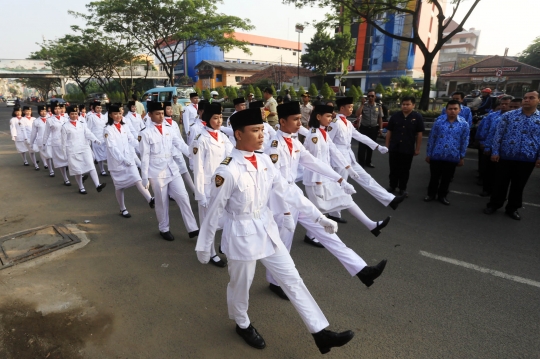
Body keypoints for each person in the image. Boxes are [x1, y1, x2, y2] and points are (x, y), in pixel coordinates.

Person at [195, 107, 355, 354]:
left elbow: (288, 191)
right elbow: (214, 212)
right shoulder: (227, 171)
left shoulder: (263, 160)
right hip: (241, 235)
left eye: (261, 129)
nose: (261, 135)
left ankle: (320, 332)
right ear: (238, 134)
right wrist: (205, 246)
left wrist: (319, 216)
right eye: (255, 130)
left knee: (292, 279)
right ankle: (242, 322)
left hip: (267, 229)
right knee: (241, 286)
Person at [266, 101, 388, 294]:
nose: (300, 123)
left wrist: (339, 178)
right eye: (296, 119)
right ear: (282, 121)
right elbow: (274, 182)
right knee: (283, 244)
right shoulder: (273, 145)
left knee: (327, 232)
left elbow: (313, 162)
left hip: (296, 197)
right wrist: (289, 207)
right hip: (281, 202)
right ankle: (274, 281)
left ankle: (362, 270)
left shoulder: (295, 141)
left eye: (300, 119)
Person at [303, 105, 391, 237]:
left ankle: (371, 225)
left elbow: (335, 152)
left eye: (331, 115)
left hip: (326, 177)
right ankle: (310, 235)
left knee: (345, 199)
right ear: (318, 117)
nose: (330, 118)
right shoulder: (314, 136)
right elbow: (316, 163)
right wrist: (328, 181)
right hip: (316, 180)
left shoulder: (323, 132)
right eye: (327, 116)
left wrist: (349, 168)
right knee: (318, 209)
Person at [326, 97, 404, 224]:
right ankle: (334, 213)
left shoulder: (348, 123)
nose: (352, 109)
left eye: (352, 107)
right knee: (341, 185)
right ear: (342, 108)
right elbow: (328, 142)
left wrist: (377, 146)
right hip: (339, 159)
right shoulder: (334, 122)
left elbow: (360, 136)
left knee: (366, 178)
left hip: (349, 156)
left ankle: (390, 199)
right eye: (349, 107)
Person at [139, 101, 199, 241]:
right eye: (157, 114)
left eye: (162, 113)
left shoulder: (169, 128)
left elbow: (180, 144)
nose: (161, 116)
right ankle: (164, 228)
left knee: (183, 197)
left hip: (171, 168)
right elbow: (145, 156)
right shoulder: (145, 133)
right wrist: (144, 177)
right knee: (161, 202)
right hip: (156, 171)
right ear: (150, 115)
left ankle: (193, 228)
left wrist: (192, 154)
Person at [483, 91, 540, 220]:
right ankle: (494, 204)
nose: (527, 100)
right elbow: (499, 135)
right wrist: (495, 152)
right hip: (506, 156)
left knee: (518, 185)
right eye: (525, 98)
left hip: (527, 158)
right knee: (500, 183)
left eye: (531, 98)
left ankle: (512, 208)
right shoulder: (509, 116)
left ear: (538, 100)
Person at [191, 103, 233, 267]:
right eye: (215, 118)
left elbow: (232, 156)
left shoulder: (222, 136)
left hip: (222, 185)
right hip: (207, 186)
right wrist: (200, 194)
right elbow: (198, 169)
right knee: (209, 223)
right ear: (207, 119)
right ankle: (211, 253)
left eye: (221, 117)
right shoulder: (200, 139)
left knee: (223, 220)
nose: (219, 121)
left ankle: (221, 247)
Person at [104, 105, 153, 216]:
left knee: (137, 179)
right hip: (116, 162)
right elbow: (112, 148)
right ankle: (122, 208)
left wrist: (142, 146)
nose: (118, 116)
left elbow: (131, 139)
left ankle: (150, 199)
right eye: (115, 114)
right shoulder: (107, 130)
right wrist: (122, 159)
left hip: (129, 159)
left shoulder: (124, 126)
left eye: (120, 113)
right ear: (111, 115)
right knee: (119, 186)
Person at [424, 100, 469, 205]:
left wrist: (462, 156)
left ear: (459, 110)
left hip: (452, 156)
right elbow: (432, 138)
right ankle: (431, 194)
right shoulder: (439, 122)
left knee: (447, 178)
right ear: (446, 110)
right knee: (434, 177)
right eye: (450, 109)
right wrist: (428, 154)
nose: (452, 111)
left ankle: (442, 196)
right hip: (436, 154)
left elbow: (464, 141)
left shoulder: (464, 124)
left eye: (455, 109)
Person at [61, 106, 106, 194]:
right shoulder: (65, 127)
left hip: (84, 147)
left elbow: (88, 133)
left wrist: (95, 139)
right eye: (72, 114)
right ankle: (81, 187)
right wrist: (64, 154)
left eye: (76, 114)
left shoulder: (82, 123)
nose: (74, 115)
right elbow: (63, 142)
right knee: (77, 169)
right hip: (72, 150)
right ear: (69, 115)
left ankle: (97, 185)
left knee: (91, 165)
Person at [385, 96, 425, 197]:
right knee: (393, 168)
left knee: (405, 170)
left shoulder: (417, 117)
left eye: (408, 104)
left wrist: (417, 149)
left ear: (413, 105)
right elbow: (389, 131)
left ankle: (402, 188)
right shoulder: (395, 116)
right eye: (403, 104)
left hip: (407, 148)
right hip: (395, 147)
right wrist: (387, 146)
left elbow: (419, 134)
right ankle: (392, 186)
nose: (405, 106)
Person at [476, 96, 514, 196]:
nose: (504, 106)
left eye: (507, 104)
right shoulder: (492, 116)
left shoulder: (515, 118)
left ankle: (497, 193)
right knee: (488, 171)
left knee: (502, 174)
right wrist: (484, 143)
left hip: (506, 150)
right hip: (490, 148)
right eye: (502, 104)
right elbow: (485, 129)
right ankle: (486, 189)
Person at [163, 101, 195, 194]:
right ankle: (170, 193)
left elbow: (180, 139)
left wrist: (188, 151)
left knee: (184, 170)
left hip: (177, 151)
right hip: (168, 153)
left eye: (171, 108)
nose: (170, 110)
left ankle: (194, 190)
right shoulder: (162, 124)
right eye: (168, 109)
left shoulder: (174, 123)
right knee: (169, 174)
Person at [42, 102, 71, 185]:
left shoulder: (65, 119)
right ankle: (66, 179)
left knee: (71, 159)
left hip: (67, 142)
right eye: (55, 108)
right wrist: (44, 144)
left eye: (59, 108)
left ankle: (79, 174)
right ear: (52, 109)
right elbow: (46, 133)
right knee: (61, 162)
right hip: (57, 143)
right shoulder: (50, 120)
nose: (58, 110)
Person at [355, 89, 383, 168]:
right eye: (369, 96)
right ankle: (361, 163)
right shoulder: (364, 105)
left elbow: (380, 118)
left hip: (373, 129)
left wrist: (380, 129)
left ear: (375, 97)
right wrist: (362, 104)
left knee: (371, 146)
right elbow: (357, 114)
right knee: (362, 147)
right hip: (364, 128)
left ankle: (368, 162)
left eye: (372, 96)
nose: (370, 97)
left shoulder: (378, 106)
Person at [30, 105, 54, 176]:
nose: (43, 112)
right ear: (39, 112)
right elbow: (33, 133)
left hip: (51, 139)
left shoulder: (51, 119)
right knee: (47, 156)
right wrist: (31, 142)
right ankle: (51, 170)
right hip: (41, 141)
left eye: (45, 111)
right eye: (41, 111)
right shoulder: (36, 121)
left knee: (52, 155)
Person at [86, 101, 109, 176]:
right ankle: (102, 170)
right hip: (96, 137)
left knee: (106, 153)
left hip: (104, 137)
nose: (99, 109)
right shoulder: (91, 117)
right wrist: (91, 139)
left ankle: (110, 168)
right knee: (99, 155)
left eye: (100, 108)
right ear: (94, 108)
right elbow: (88, 129)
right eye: (97, 108)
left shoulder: (104, 117)